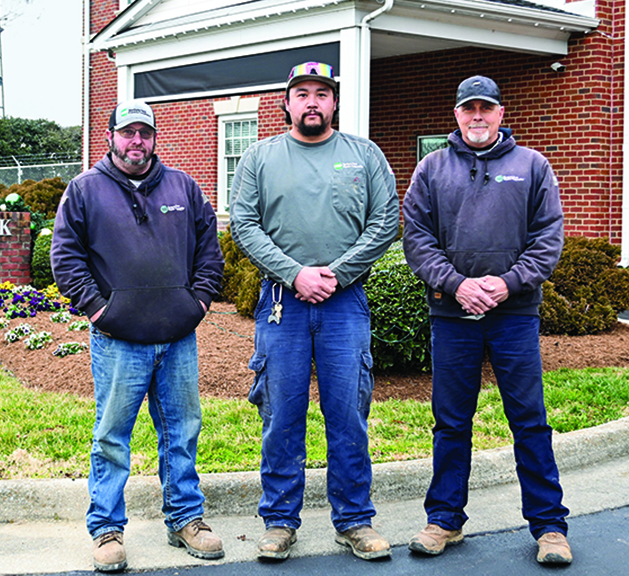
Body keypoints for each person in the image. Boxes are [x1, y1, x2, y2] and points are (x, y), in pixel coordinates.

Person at [229, 62, 399, 561]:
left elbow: (385, 220)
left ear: (334, 102)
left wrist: (337, 274)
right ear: (286, 103)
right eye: (301, 93)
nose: (311, 102)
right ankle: (280, 521)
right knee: (281, 413)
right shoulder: (260, 157)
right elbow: (244, 224)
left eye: (321, 94)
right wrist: (294, 273)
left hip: (345, 304)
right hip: (282, 303)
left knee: (348, 412)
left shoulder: (363, 155)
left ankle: (354, 520)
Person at [402, 76, 572, 565]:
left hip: (514, 315)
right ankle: (444, 520)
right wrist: (458, 285)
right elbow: (417, 238)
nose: (477, 116)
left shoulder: (532, 166)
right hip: (452, 315)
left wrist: (508, 282)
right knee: (451, 421)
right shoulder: (431, 169)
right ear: (456, 114)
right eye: (468, 108)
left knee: (530, 420)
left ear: (500, 113)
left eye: (486, 108)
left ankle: (549, 526)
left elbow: (548, 237)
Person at [51, 99, 226, 572]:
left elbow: (210, 253)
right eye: (127, 132)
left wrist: (199, 303)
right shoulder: (85, 190)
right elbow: (66, 257)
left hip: (176, 337)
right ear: (109, 137)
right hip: (118, 339)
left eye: (144, 133)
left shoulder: (182, 187)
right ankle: (106, 527)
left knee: (181, 430)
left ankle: (186, 518)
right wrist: (99, 309)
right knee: (112, 436)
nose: (136, 141)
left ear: (154, 138)